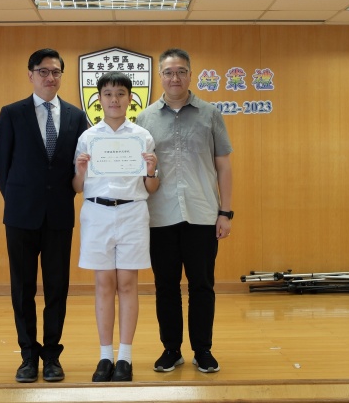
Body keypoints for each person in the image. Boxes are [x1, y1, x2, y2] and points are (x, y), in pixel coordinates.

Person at [0, 48, 88, 383]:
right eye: (43, 71)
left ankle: (52, 355)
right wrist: (18, 198)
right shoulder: (12, 113)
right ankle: (28, 356)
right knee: (22, 288)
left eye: (56, 72)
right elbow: (0, 163)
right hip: (21, 215)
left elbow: (80, 164)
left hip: (59, 214)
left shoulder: (76, 116)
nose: (50, 77)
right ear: (30, 75)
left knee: (57, 288)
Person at [135, 48, 233, 374]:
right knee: (166, 287)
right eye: (168, 72)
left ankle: (202, 350)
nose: (174, 78)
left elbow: (223, 166)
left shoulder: (210, 114)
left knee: (202, 286)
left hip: (202, 214)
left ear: (190, 75)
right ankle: (171, 349)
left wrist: (225, 212)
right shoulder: (145, 119)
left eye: (180, 71)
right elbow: (141, 172)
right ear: (160, 77)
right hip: (159, 217)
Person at [73, 71, 160, 382]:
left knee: (127, 284)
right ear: (99, 99)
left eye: (120, 94)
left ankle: (125, 357)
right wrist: (80, 171)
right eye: (108, 94)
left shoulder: (142, 136)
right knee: (104, 284)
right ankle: (105, 356)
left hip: (132, 213)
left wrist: (151, 170)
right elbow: (77, 187)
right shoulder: (88, 137)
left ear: (130, 99)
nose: (114, 99)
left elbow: (151, 187)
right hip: (96, 214)